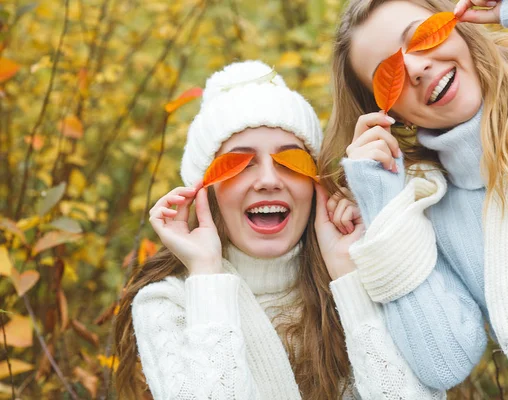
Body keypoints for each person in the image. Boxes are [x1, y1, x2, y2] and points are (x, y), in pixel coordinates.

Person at [113, 60, 444, 400]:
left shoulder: (365, 275)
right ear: (205, 190)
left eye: (290, 161)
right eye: (240, 163)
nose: (269, 180)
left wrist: (349, 277)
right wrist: (207, 276)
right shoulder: (169, 302)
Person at [319, 0, 508, 399]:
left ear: (457, 27)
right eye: (390, 75)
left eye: (421, 36)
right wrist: (381, 204)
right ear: (390, 113)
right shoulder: (429, 209)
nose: (415, 68)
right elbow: (444, 361)